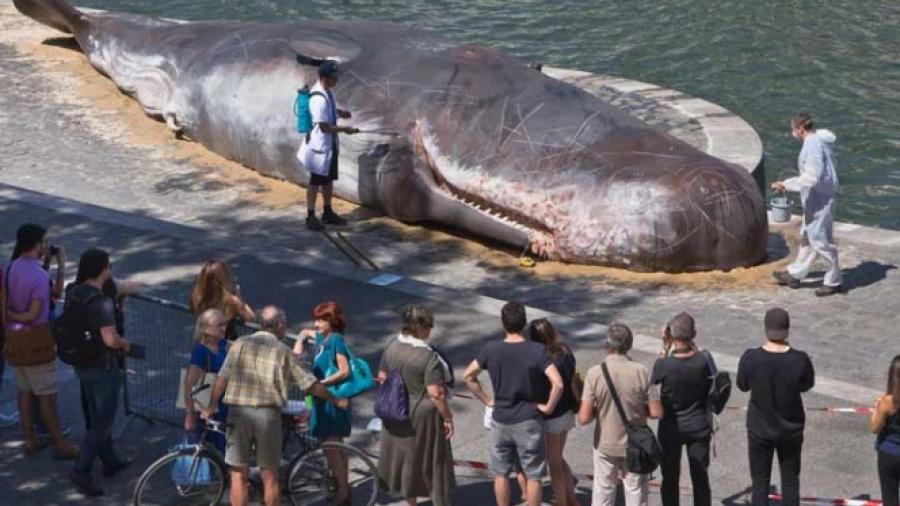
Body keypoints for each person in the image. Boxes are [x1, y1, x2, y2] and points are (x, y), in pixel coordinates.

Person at [202, 306, 348, 506]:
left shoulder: (240, 344)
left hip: (238, 413)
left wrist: (210, 406)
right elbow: (309, 384)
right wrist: (336, 400)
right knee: (269, 475)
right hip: (267, 416)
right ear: (279, 326)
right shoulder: (282, 351)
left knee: (237, 475)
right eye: (284, 324)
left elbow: (221, 379)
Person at [463, 301, 563, 506]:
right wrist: (549, 407)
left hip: (501, 420)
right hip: (528, 421)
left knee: (500, 473)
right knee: (534, 474)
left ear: (502, 323)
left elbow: (468, 376)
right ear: (524, 323)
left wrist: (487, 400)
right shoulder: (537, 351)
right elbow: (558, 384)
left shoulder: (491, 349)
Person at [5, 224, 78, 459]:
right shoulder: (38, 275)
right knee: (47, 395)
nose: (47, 246)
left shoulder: (13, 266)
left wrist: (10, 317)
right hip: (36, 341)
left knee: (24, 390)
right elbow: (33, 313)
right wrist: (62, 265)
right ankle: (60, 442)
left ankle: (30, 438)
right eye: (45, 242)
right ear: (37, 245)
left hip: (15, 340)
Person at [68, 248, 133, 497]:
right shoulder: (100, 301)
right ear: (103, 269)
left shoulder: (74, 292)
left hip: (81, 364)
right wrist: (124, 344)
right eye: (109, 266)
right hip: (103, 367)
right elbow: (110, 339)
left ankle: (109, 459)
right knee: (102, 423)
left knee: (95, 415)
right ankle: (81, 470)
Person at [377, 305, 456, 506]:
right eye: (428, 325)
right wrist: (448, 417)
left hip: (396, 411)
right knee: (435, 463)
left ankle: (411, 502)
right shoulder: (428, 356)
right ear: (418, 326)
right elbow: (436, 393)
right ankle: (440, 501)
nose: (430, 330)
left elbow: (382, 377)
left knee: (406, 462)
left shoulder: (391, 346)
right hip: (423, 417)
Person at [737, 307, 815, 506]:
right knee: (790, 480)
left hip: (759, 429)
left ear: (765, 329)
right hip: (790, 429)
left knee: (760, 482)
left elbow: (742, 385)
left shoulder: (751, 357)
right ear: (787, 330)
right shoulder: (800, 359)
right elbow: (806, 385)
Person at [579, 323, 661, 506]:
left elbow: (583, 418)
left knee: (603, 492)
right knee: (635, 492)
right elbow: (656, 412)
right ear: (629, 345)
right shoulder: (642, 371)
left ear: (607, 346)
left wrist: (599, 410)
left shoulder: (594, 373)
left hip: (605, 444)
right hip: (634, 445)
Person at [771, 112, 842, 297]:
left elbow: (811, 177)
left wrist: (785, 184)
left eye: (793, 129)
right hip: (815, 198)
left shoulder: (813, 147)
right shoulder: (816, 141)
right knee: (808, 237)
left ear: (800, 128)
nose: (792, 132)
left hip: (820, 199)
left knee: (820, 240)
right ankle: (795, 274)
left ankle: (833, 280)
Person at [650, 312, 714, 506]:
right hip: (699, 425)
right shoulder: (704, 360)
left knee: (669, 479)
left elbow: (653, 379)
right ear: (694, 333)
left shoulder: (665, 364)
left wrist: (664, 347)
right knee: (701, 479)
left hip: (671, 428)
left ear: (671, 334)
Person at [295, 301, 354, 505]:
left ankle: (342, 494)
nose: (316, 323)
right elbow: (304, 332)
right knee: (337, 446)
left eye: (321, 319)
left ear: (332, 321)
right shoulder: (324, 337)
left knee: (331, 449)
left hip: (331, 400)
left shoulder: (336, 340)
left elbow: (344, 370)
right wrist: (300, 341)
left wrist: (320, 383)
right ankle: (343, 487)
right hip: (326, 399)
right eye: (316, 319)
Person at [296, 59, 359, 231]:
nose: (337, 80)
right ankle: (310, 216)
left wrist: (340, 112)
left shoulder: (328, 93)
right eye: (334, 77)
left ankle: (327, 212)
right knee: (315, 182)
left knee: (328, 179)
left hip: (330, 146)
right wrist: (345, 129)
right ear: (325, 77)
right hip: (320, 148)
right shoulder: (318, 98)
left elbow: (328, 113)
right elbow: (323, 127)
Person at [528, 318, 578, 506]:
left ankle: (563, 502)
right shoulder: (565, 351)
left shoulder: (541, 359)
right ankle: (571, 498)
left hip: (552, 417)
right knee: (559, 458)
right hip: (567, 413)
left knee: (554, 465)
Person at [182, 309, 229, 453]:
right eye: (219, 325)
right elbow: (189, 384)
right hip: (209, 407)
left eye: (225, 324)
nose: (224, 328)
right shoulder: (200, 352)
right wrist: (189, 415)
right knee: (214, 447)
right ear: (206, 328)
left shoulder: (221, 344)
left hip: (224, 405)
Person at [188, 259, 254, 340]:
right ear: (223, 278)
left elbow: (192, 310)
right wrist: (239, 297)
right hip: (226, 345)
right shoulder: (231, 301)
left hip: (205, 342)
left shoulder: (196, 298)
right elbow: (250, 317)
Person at [871, 355, 900, 506]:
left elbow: (874, 428)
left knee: (890, 497)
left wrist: (876, 409)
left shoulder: (886, 402)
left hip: (889, 453)